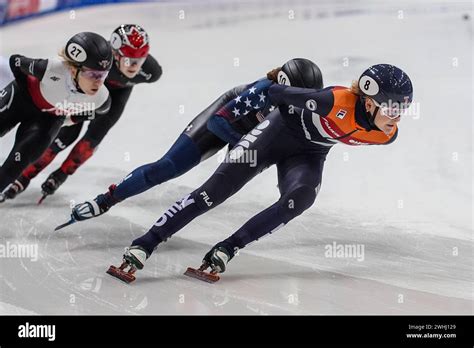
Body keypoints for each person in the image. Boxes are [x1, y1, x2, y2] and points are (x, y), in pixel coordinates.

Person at [106, 64, 414, 283]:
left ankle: (227, 248)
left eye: (403, 108)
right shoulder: (333, 102)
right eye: (392, 108)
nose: (397, 117)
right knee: (212, 193)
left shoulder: (386, 134)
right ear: (369, 101)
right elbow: (276, 91)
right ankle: (145, 243)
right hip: (273, 134)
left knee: (300, 198)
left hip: (308, 153)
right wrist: (234, 115)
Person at [61, 58, 324, 224]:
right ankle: (106, 199)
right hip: (223, 122)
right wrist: (243, 143)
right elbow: (217, 123)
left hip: (246, 133)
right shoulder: (261, 91)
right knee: (167, 168)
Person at [1, 24, 162, 203]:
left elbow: (96, 113)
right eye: (129, 60)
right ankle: (24, 177)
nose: (134, 67)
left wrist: (73, 117)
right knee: (64, 136)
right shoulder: (99, 58)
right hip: (84, 90)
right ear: (115, 55)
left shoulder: (151, 72)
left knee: (93, 138)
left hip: (109, 97)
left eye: (140, 61)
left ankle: (60, 175)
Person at [0, 32, 113, 199]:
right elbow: (15, 61)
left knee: (17, 163)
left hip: (47, 119)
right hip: (20, 99)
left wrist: (67, 120)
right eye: (92, 75)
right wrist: (23, 93)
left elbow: (96, 112)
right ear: (74, 69)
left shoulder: (101, 99)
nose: (98, 81)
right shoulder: (52, 69)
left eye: (103, 75)